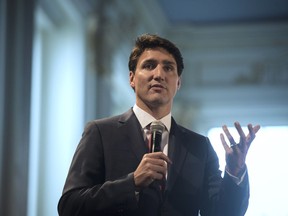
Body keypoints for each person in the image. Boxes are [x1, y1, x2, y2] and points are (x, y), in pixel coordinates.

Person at [58, 34, 260, 216]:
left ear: (178, 83)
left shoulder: (200, 147)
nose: (159, 74)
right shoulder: (101, 132)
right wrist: (132, 183)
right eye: (149, 65)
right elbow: (70, 206)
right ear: (132, 78)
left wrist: (235, 171)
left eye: (168, 68)